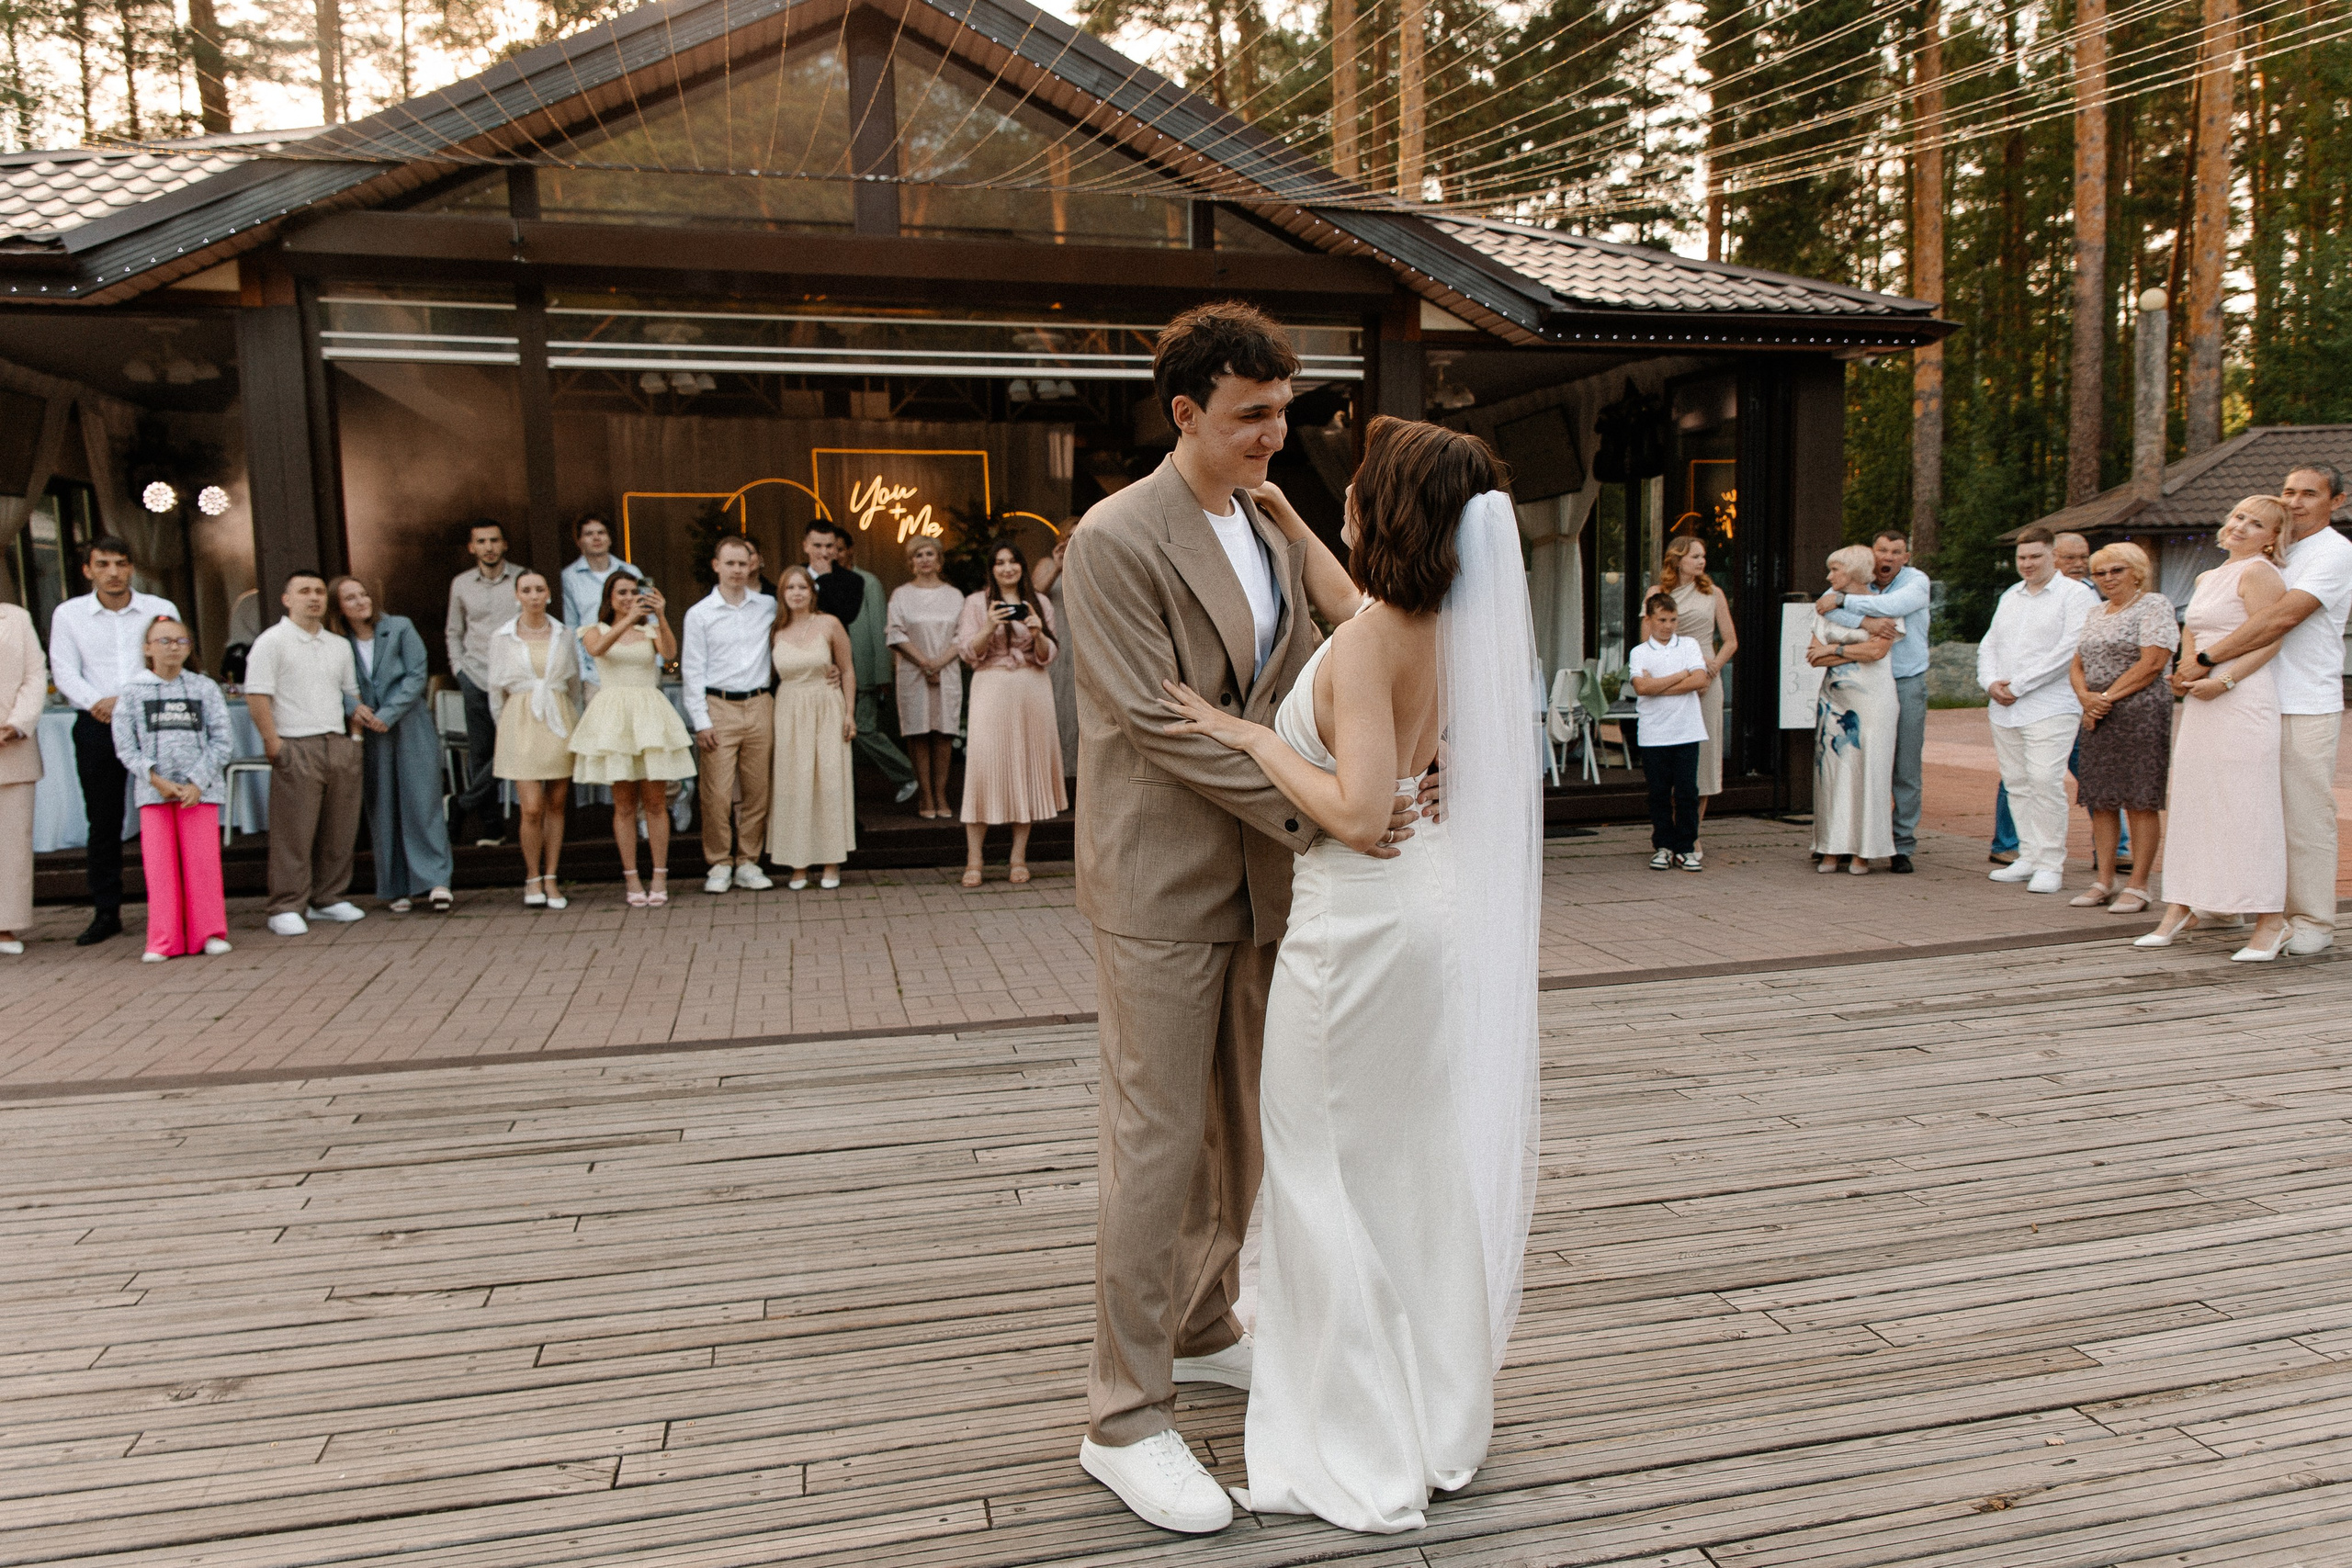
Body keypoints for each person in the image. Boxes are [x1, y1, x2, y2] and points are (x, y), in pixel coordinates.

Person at [1059, 301, 1430, 1536]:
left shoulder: (1268, 520)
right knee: (1156, 1142)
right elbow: (1160, 724)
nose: (1280, 433)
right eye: (1253, 415)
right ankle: (1121, 1413)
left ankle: (1208, 1320)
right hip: (1162, 885)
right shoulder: (1112, 541)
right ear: (1184, 414)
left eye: (1286, 410)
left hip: (1266, 883)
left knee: (1247, 1131)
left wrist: (1369, 778)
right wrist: (1328, 811)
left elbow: (1334, 639)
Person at [1159, 414, 1537, 1535]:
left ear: (1394, 512)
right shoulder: (1426, 622)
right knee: (1403, 1167)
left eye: (1362, 486)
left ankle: (1356, 1448)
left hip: (1355, 936)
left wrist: (1253, 741)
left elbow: (1358, 815)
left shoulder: (1378, 642)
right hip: (1416, 919)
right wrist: (1282, 515)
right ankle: (1431, 1405)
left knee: (1323, 1173)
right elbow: (1348, 610)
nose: (1348, 494)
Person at [2177, 464, 2352, 954]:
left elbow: (2283, 617)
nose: (2295, 502)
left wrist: (2208, 660)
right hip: (2244, 696)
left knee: (2301, 814)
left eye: (2310, 494)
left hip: (2301, 699)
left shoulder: (2334, 553)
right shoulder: (2272, 547)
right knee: (2232, 804)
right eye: (2289, 492)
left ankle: (2311, 918)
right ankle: (2225, 900)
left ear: (2336, 502)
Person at [2139, 498, 2292, 961]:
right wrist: (2185, 673)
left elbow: (2271, 638)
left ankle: (2271, 920)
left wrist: (2223, 680)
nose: (2242, 526)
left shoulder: (2262, 573)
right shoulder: (2208, 577)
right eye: (2240, 517)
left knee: (2247, 806)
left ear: (2272, 537)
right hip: (2203, 702)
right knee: (2195, 801)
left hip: (2243, 699)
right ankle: (2183, 905)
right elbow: (2193, 635)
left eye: (2257, 523)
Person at [48, 535, 178, 946]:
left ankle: (174, 907)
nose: (113, 572)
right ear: (87, 570)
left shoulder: (160, 610)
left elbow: (172, 659)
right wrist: (96, 703)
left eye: (120, 563)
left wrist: (128, 700)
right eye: (102, 564)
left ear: (132, 567)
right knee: (103, 821)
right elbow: (64, 670)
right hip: (96, 723)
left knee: (164, 812)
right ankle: (107, 912)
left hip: (154, 721)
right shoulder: (69, 615)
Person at [244, 570, 367, 937]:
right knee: (294, 832)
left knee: (339, 828)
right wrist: (274, 744)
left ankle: (328, 898)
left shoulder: (338, 645)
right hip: (295, 743)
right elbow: (257, 695)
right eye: (304, 591)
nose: (313, 597)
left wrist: (355, 740)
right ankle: (286, 904)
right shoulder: (272, 642)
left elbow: (352, 695)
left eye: (318, 591)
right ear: (287, 599)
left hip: (337, 742)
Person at [1978, 525, 2096, 895]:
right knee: (2017, 782)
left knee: (2045, 781)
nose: (2027, 564)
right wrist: (1991, 682)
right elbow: (1990, 643)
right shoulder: (2011, 595)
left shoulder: (2076, 595)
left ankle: (2050, 863)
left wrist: (2020, 685)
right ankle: (2027, 856)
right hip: (2005, 707)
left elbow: (2069, 650)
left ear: (2053, 556)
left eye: (2035, 557)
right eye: (2021, 558)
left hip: (2052, 705)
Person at [111, 615, 234, 962]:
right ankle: (163, 940)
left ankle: (209, 932)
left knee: (202, 864)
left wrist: (199, 780)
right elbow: (125, 746)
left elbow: (222, 740)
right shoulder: (133, 692)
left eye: (180, 641)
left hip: (200, 792)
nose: (172, 648)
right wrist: (154, 778)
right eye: (163, 641)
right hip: (154, 793)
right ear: (147, 648)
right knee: (161, 869)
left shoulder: (204, 688)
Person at [330, 576, 454, 915]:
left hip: (409, 723)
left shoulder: (399, 627)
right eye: (350, 598)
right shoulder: (335, 642)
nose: (360, 601)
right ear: (338, 607)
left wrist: (389, 712)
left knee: (422, 799)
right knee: (382, 803)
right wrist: (352, 708)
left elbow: (417, 674)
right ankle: (395, 886)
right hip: (368, 728)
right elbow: (328, 680)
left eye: (363, 594)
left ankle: (436, 882)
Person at [572, 572, 694, 907]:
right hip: (614, 713)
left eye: (633, 592)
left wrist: (661, 615)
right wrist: (627, 619)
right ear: (609, 597)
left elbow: (669, 655)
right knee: (623, 804)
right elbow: (597, 649)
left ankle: (659, 874)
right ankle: (631, 878)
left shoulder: (649, 629)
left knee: (656, 802)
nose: (628, 597)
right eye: (621, 592)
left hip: (648, 710)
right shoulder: (594, 630)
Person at [2069, 544, 2176, 913]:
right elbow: (2077, 663)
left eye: (2116, 570)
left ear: (2136, 571)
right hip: (2098, 713)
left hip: (2140, 712)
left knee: (2140, 799)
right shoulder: (2096, 612)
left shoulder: (2154, 605)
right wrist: (2085, 697)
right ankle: (2104, 880)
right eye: (2100, 573)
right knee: (2101, 799)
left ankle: (2139, 885)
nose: (2107, 579)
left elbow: (2153, 663)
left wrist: (2106, 698)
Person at [1817, 529, 1931, 872]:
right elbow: (1825, 609)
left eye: (1896, 552)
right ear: (1871, 554)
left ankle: (1901, 845)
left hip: (1905, 680)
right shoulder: (1848, 582)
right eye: (1882, 550)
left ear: (1906, 557)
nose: (1888, 557)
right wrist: (1866, 619)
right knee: (1855, 764)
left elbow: (1895, 607)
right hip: (1860, 685)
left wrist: (1844, 602)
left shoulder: (1916, 582)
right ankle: (1844, 839)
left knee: (1904, 767)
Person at [956, 542, 1066, 887]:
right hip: (991, 687)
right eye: (1000, 563)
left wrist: (1036, 633)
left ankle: (1018, 857)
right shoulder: (976, 602)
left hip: (1033, 690)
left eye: (1013, 562)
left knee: (1026, 769)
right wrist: (989, 626)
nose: (1007, 568)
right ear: (992, 568)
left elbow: (1050, 653)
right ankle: (975, 859)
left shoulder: (1041, 603)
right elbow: (967, 652)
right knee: (984, 768)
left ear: (1022, 566)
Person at [682, 535, 777, 895]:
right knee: (717, 793)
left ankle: (748, 861)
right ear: (716, 565)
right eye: (730, 563)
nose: (737, 570)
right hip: (718, 706)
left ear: (752, 565)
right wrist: (700, 720)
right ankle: (719, 862)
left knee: (757, 790)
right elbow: (692, 669)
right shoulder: (700, 614)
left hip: (759, 703)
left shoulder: (768, 606)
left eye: (743, 563)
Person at [489, 568, 582, 909]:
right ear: (517, 595)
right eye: (526, 590)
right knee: (531, 807)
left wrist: (573, 719)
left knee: (556, 804)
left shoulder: (563, 633)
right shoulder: (502, 636)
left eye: (539, 589)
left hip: (557, 717)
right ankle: (532, 877)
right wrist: (509, 725)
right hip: (521, 718)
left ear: (549, 594)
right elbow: (494, 690)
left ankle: (552, 877)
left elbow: (573, 684)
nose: (533, 595)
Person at [1806, 547, 1901, 873]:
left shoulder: (1886, 605)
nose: (1829, 577)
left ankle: (1865, 850)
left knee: (1870, 771)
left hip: (1874, 700)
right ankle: (1831, 847)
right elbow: (1815, 655)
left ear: (1857, 571)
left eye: (1836, 570)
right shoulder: (1825, 606)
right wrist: (1844, 651)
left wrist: (1834, 648)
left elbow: (1878, 650)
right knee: (1833, 773)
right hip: (1834, 699)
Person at [767, 565, 859, 889]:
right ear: (782, 594)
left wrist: (850, 714)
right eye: (790, 588)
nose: (796, 593)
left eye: (802, 587)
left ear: (812, 592)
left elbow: (847, 670)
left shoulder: (830, 623)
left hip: (827, 706)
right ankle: (798, 864)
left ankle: (831, 862)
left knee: (829, 781)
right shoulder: (775, 630)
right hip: (790, 709)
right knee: (794, 783)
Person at [1656, 536, 1737, 845]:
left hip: (1706, 678)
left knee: (1703, 757)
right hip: (1672, 677)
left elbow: (1730, 639)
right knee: (1671, 756)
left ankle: (1691, 835)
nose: (1702, 562)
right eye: (1694, 557)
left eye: (1703, 557)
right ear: (1677, 560)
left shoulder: (1713, 593)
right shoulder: (1658, 593)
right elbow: (1647, 640)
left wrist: (1714, 666)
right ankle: (1670, 831)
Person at [445, 518, 521, 845]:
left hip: (513, 678)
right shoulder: (461, 584)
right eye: (482, 541)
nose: (488, 547)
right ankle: (491, 826)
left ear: (504, 544)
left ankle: (463, 804)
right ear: (472, 547)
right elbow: (454, 631)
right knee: (481, 751)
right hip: (475, 674)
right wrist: (459, 670)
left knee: (514, 745)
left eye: (494, 540)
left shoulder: (522, 578)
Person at [1627, 590, 1712, 871]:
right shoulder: (1639, 652)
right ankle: (1663, 845)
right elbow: (1641, 688)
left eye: (1673, 619)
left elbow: (1699, 680)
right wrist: (1679, 676)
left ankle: (1686, 847)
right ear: (1650, 620)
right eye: (1662, 619)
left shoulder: (1688, 645)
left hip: (1687, 731)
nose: (1668, 625)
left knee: (1687, 791)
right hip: (1654, 733)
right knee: (1659, 793)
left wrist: (1658, 685)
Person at [834, 529, 920, 806]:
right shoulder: (823, 582)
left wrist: (882, 674)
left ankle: (906, 773)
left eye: (839, 548)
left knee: (865, 728)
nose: (833, 554)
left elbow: (878, 629)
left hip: (864, 672)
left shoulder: (867, 582)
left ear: (850, 550)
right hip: (830, 673)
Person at [886, 536, 966, 819]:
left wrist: (938, 665)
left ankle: (942, 794)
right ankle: (926, 795)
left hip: (946, 672)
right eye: (918, 555)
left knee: (944, 733)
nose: (924, 559)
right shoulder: (901, 595)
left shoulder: (954, 596)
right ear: (911, 562)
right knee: (918, 733)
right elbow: (895, 633)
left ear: (939, 559)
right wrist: (924, 664)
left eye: (929, 553)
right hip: (913, 672)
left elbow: (963, 635)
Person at [0, 600, 49, 955]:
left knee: (13, 840)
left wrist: (17, 724)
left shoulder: (16, 618)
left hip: (12, 745)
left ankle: (5, 925)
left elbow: (35, 674)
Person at [1032, 525, 1083, 784]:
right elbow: (1033, 595)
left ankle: (1076, 777)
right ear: (1061, 539)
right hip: (1053, 641)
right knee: (1052, 707)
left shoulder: (1090, 559)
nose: (1074, 540)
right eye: (1069, 535)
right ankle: (1049, 778)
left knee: (1076, 712)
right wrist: (1057, 565)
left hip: (1081, 644)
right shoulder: (1046, 563)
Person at [560, 514, 642, 661]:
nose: (596, 538)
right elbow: (571, 627)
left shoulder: (632, 572)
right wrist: (582, 672)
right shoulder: (569, 577)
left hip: (634, 660)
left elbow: (649, 615)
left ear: (610, 539)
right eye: (589, 534)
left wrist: (657, 663)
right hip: (593, 666)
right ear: (578, 541)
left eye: (601, 533)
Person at [800, 520, 865, 626]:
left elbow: (846, 616)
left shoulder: (852, 580)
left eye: (829, 546)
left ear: (835, 548)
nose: (824, 553)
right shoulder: (794, 574)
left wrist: (825, 578)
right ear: (805, 546)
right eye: (818, 546)